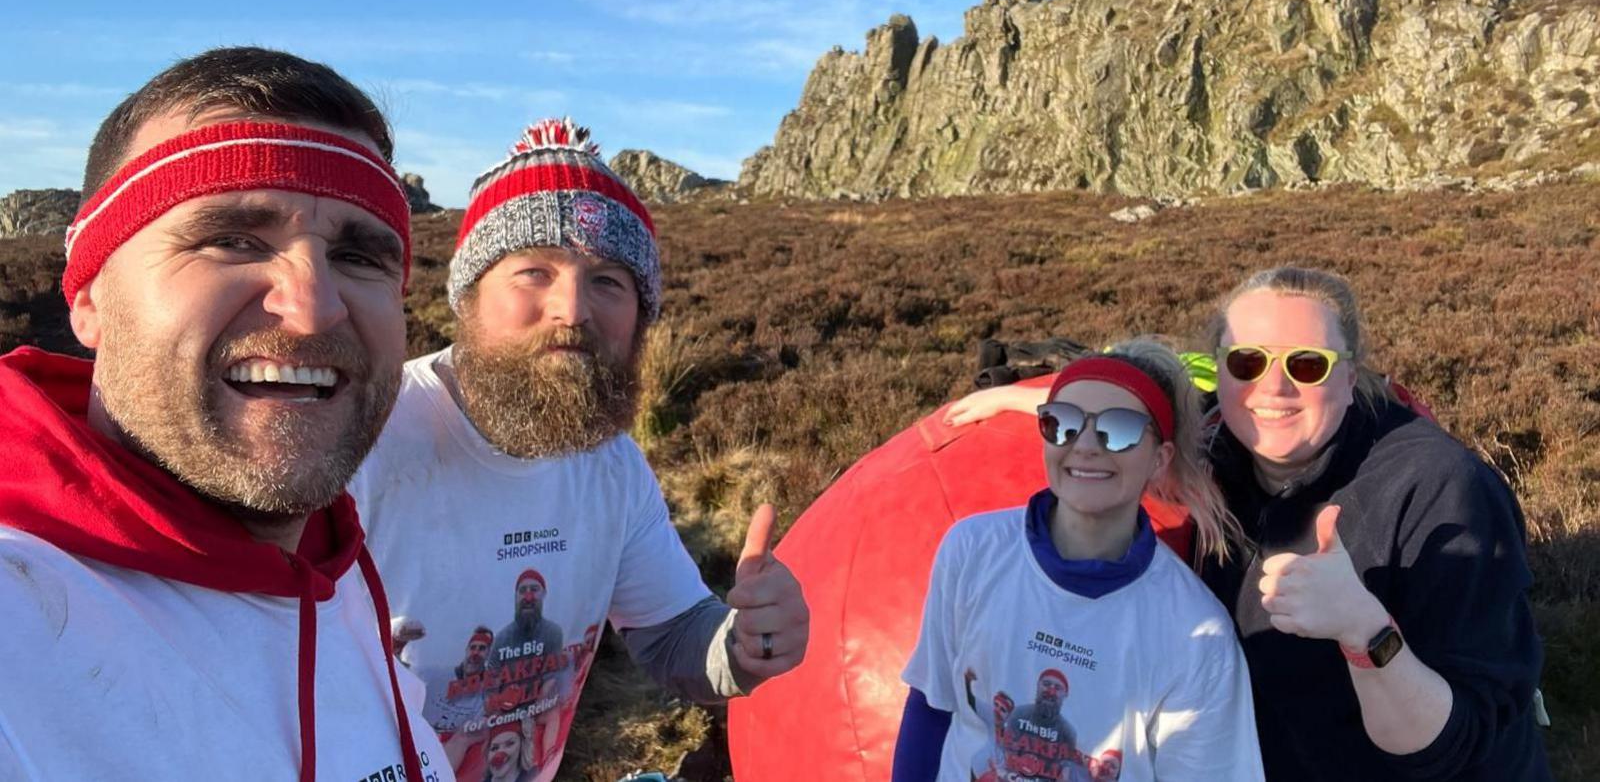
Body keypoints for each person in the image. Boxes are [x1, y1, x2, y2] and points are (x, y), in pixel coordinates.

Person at [0, 47, 448, 780]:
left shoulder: (337, 574)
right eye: (233, 239)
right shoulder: (17, 622)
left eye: (361, 255)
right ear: (87, 297)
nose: (313, 309)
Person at [350, 118, 809, 781]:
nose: (572, 307)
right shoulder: (367, 440)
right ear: (468, 295)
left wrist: (744, 643)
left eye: (608, 282)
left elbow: (676, 636)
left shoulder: (611, 464)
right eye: (534, 270)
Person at [1198, 266, 1550, 780]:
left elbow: (1456, 742)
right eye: (1246, 361)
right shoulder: (1206, 458)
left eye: (1307, 364)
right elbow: (1104, 401)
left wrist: (1364, 631)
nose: (1273, 387)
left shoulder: (1442, 487)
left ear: (1348, 377)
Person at [894, 340, 1264, 781]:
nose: (1085, 445)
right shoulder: (973, 549)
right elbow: (932, 708)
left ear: (1158, 459)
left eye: (1120, 430)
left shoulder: (1196, 632)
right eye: (1062, 424)